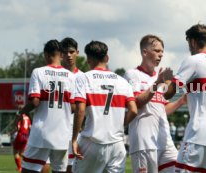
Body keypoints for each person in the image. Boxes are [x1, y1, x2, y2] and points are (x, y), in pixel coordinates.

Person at [164, 24, 206, 173]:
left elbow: (168, 93)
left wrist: (166, 80)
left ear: (193, 41)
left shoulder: (193, 60)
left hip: (198, 136)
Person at [72, 40, 138, 173]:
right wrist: (120, 125)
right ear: (107, 58)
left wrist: (74, 139)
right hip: (117, 144)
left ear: (89, 59)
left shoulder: (84, 78)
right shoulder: (122, 82)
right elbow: (134, 110)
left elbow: (80, 110)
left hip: (92, 141)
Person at [124, 34, 187, 173]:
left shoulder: (160, 78)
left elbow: (163, 109)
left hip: (165, 142)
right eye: (157, 51)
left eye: (162, 52)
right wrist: (157, 83)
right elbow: (137, 102)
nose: (161, 55)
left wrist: (181, 101)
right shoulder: (132, 74)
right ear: (144, 52)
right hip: (144, 142)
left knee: (179, 170)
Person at [18, 39, 75, 173]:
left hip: (41, 133)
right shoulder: (71, 76)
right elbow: (73, 107)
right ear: (61, 55)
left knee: (28, 169)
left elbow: (35, 101)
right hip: (62, 135)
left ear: (46, 54)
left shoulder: (38, 72)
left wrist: (21, 112)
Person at [41, 37, 83, 173]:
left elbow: (83, 106)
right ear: (60, 54)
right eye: (65, 52)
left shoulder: (83, 77)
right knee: (42, 165)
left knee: (67, 168)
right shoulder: (49, 73)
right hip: (47, 127)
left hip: (70, 129)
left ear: (77, 52)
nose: (68, 55)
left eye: (71, 52)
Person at [13, 107, 31, 172]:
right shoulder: (28, 117)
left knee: (15, 152)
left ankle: (19, 168)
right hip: (26, 136)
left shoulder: (20, 117)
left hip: (20, 135)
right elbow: (30, 127)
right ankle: (30, 161)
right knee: (21, 153)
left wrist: (12, 131)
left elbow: (17, 128)